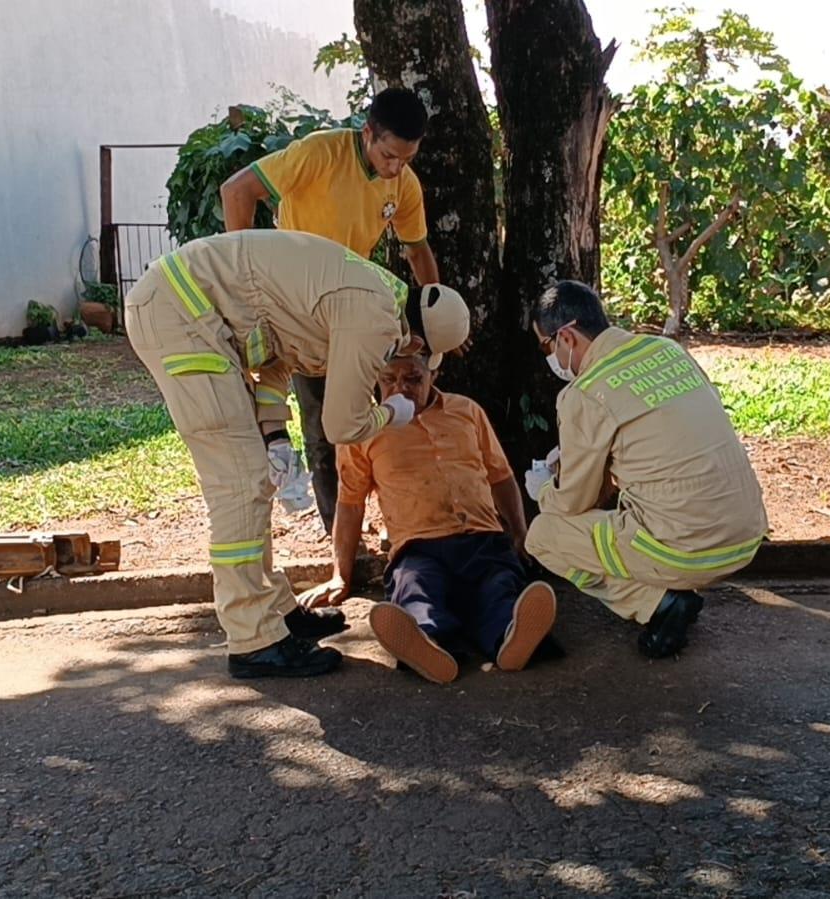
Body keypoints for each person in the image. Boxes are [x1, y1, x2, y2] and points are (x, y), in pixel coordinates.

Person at [123, 229, 469, 679]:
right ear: (419, 343)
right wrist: (390, 413)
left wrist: (274, 433)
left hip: (186, 309)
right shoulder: (375, 316)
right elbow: (342, 425)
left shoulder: (373, 290)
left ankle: (275, 613)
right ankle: (253, 641)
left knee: (254, 479)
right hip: (183, 313)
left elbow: (274, 352)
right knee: (239, 485)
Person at [221, 86, 440, 537]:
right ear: (367, 134)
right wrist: (243, 282)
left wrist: (440, 309)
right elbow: (238, 190)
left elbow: (418, 251)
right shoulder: (320, 151)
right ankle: (339, 540)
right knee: (321, 424)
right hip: (291, 310)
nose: (395, 168)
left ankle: (397, 525)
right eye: (388, 156)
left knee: (369, 414)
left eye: (406, 158)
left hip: (352, 313)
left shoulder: (405, 186)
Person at [523, 281, 767, 658]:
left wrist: (542, 488)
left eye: (545, 345)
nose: (549, 358)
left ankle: (657, 603)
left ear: (566, 336)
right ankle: (668, 588)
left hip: (684, 552)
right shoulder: (667, 350)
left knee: (542, 535)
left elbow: (572, 502)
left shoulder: (584, 392)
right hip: (746, 536)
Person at [298, 354, 557, 685]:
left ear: (434, 373)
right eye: (389, 379)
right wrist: (340, 575)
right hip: (417, 548)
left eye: (413, 379)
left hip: (482, 538)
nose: (400, 389)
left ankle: (511, 638)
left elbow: (501, 476)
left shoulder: (467, 411)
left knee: (499, 585)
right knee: (416, 588)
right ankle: (429, 644)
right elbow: (350, 505)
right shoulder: (363, 429)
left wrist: (520, 534)